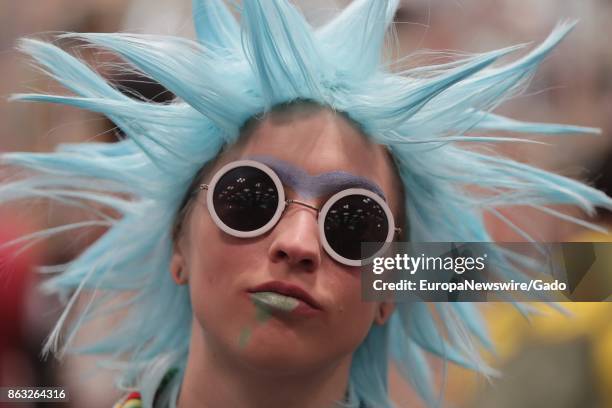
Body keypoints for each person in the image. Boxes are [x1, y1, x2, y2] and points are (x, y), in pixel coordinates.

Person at [2, 1, 611, 407]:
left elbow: (572, 271)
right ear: (177, 245)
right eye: (250, 198)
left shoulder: (387, 270)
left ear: (387, 290)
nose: (296, 242)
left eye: (352, 222)